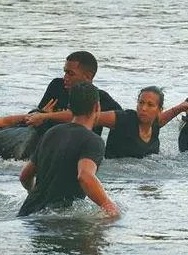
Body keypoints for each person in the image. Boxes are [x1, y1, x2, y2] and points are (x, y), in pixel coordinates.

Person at [18, 82, 119, 217]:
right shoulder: (93, 141)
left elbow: (25, 175)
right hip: (56, 219)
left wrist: (35, 193)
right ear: (97, 106)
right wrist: (108, 206)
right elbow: (85, 176)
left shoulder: (51, 133)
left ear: (70, 107)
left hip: (27, 211)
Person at [25, 51, 122, 136]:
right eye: (65, 72)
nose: (65, 77)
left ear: (88, 77)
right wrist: (42, 113)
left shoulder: (101, 98)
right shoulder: (57, 86)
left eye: (70, 73)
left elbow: (122, 120)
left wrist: (47, 116)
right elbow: (35, 117)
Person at [95, 86, 188, 159]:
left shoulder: (155, 124)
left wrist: (184, 106)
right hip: (117, 183)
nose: (143, 108)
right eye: (141, 103)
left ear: (159, 110)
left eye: (150, 105)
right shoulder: (123, 119)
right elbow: (88, 118)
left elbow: (167, 115)